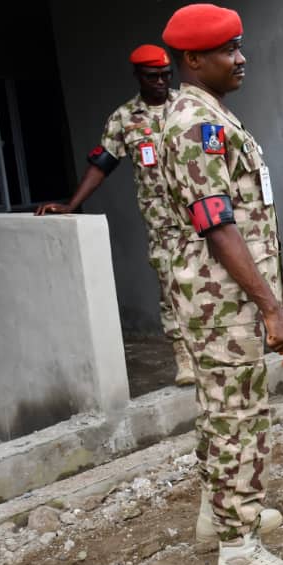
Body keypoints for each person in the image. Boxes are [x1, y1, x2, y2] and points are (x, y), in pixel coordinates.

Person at [160, 3, 283, 565]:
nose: (241, 58)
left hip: (223, 301)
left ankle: (216, 518)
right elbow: (217, 224)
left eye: (239, 45)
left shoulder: (210, 113)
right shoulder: (195, 125)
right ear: (194, 58)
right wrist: (272, 308)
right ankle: (239, 555)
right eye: (229, 50)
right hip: (223, 305)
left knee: (224, 414)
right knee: (237, 421)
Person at [35, 45, 193, 386]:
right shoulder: (125, 118)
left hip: (201, 218)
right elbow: (102, 164)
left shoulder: (188, 106)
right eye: (153, 77)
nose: (162, 82)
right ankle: (185, 358)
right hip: (163, 223)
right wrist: (71, 204)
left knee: (211, 283)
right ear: (138, 76)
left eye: (167, 75)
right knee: (171, 287)